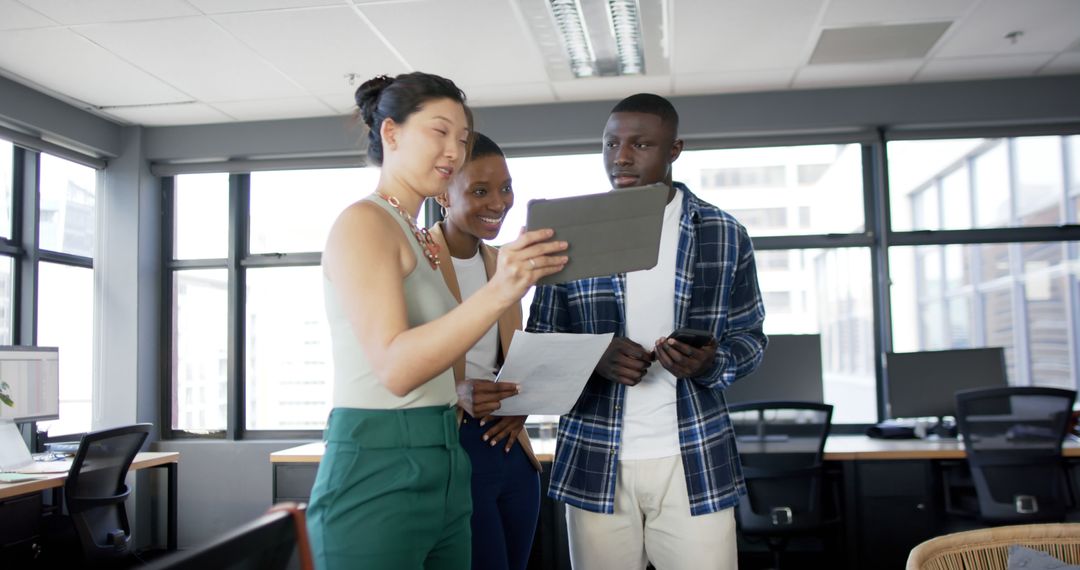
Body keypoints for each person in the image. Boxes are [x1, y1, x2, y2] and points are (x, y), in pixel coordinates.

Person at [309, 72, 567, 570]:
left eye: (463, 138)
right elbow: (397, 370)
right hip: (380, 457)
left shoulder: (418, 238)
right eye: (439, 132)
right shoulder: (364, 222)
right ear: (391, 134)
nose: (454, 150)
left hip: (447, 454)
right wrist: (499, 290)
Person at [527, 93, 768, 569]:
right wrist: (593, 357)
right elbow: (537, 342)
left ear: (673, 150)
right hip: (596, 458)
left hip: (693, 457)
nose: (620, 156)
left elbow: (751, 338)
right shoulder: (569, 233)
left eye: (640, 144)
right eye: (611, 143)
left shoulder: (723, 231)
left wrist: (710, 362)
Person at [429, 132, 542, 570]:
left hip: (512, 446)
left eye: (505, 188)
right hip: (453, 444)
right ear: (443, 193)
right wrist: (455, 389)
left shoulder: (504, 265)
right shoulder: (417, 261)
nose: (498, 203)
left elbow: (515, 355)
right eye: (479, 191)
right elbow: (388, 360)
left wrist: (526, 402)